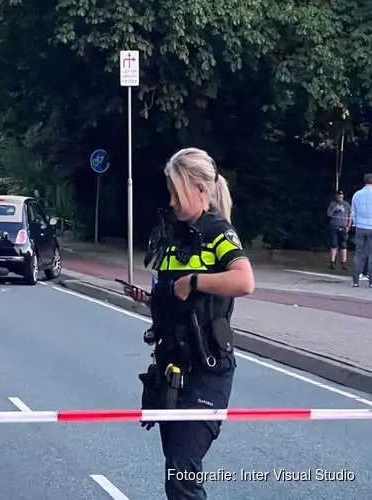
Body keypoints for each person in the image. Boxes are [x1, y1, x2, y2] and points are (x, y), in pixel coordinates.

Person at [124, 148, 255, 500]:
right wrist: (153, 298)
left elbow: (244, 281)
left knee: (182, 476)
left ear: (200, 189)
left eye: (176, 193)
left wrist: (196, 281)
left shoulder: (217, 232)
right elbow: (179, 298)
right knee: (176, 469)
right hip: (172, 369)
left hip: (206, 371)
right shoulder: (177, 235)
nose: (171, 201)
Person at [351, 173, 372, 288]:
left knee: (358, 254)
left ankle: (355, 281)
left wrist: (356, 223)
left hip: (360, 227)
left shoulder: (357, 194)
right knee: (371, 254)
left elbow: (353, 212)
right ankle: (371, 282)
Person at [327, 190, 352, 269]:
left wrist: (348, 226)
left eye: (341, 197)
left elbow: (350, 216)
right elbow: (328, 214)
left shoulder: (347, 204)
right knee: (334, 244)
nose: (340, 198)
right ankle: (332, 262)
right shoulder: (332, 204)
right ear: (336, 196)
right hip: (334, 226)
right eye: (339, 197)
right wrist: (335, 209)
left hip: (344, 227)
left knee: (343, 245)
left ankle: (344, 263)